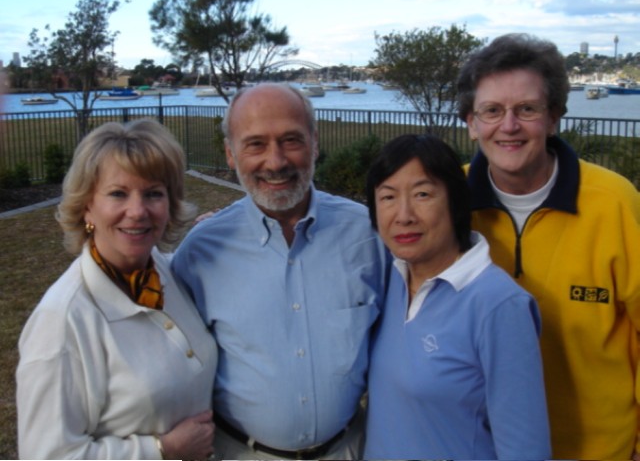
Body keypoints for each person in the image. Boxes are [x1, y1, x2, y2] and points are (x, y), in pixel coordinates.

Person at [171, 83, 389, 460]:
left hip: (349, 450)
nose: (275, 162)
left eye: (291, 140)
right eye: (255, 144)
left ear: (314, 144)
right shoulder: (200, 252)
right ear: (230, 153)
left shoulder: (368, 235)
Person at [458, 32, 640, 460]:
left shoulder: (614, 203)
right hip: (482, 448)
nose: (509, 126)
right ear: (471, 123)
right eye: (492, 110)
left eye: (527, 109)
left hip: (598, 449)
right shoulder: (449, 202)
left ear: (554, 117)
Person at [16, 119, 217, 459]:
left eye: (153, 193)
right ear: (87, 205)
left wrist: (216, 228)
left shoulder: (163, 272)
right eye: (118, 194)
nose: (137, 211)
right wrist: (162, 450)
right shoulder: (62, 323)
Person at [363, 133, 550, 459]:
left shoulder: (499, 305)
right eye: (388, 197)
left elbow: (525, 448)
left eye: (422, 194)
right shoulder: (389, 279)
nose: (404, 215)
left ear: (455, 202)